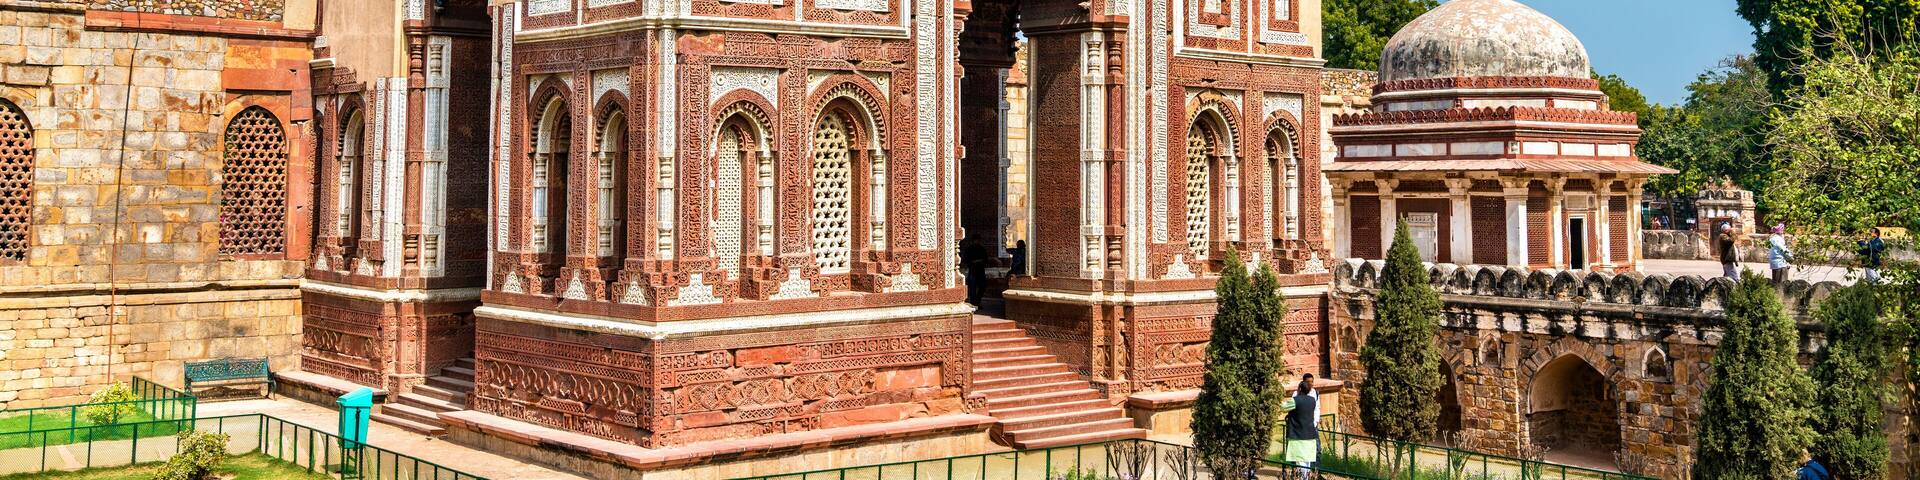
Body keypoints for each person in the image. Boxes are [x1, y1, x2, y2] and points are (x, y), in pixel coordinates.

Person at [1281, 374, 1319, 478]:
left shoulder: (1295, 400)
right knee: (1307, 462)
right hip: (1310, 435)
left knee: (1300, 462)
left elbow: (1283, 407)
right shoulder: (1312, 400)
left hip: (1298, 436)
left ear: (1299, 389)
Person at [960, 234, 991, 306]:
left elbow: (986, 259)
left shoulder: (981, 249)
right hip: (972, 270)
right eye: (975, 240)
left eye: (978, 240)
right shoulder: (969, 249)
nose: (977, 242)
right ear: (973, 241)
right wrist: (972, 262)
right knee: (972, 287)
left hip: (980, 270)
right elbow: (965, 259)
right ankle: (973, 303)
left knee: (982, 286)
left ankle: (977, 301)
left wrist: (980, 261)